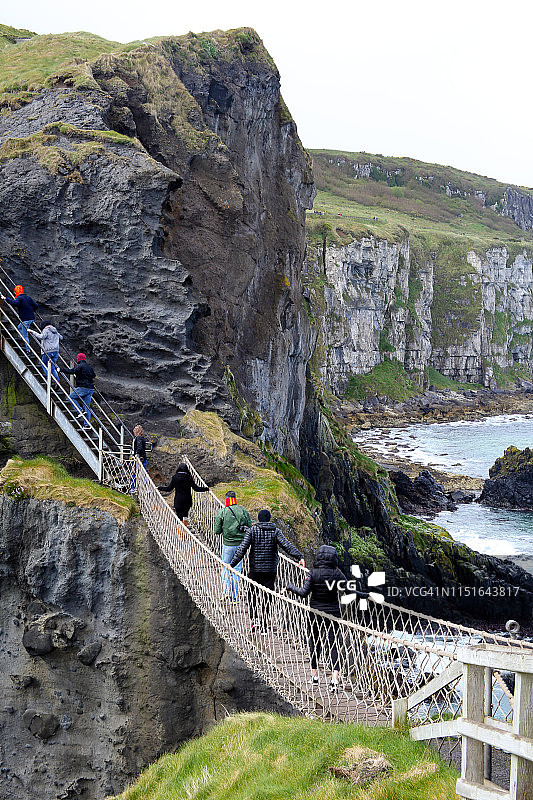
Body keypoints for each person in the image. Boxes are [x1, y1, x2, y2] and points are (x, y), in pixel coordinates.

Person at [282, 544, 349, 692]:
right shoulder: (337, 573)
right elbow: (347, 590)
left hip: (315, 613)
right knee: (333, 645)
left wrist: (289, 587)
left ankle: (315, 677)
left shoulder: (313, 573)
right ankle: (334, 680)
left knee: (315, 643)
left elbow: (303, 593)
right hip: (333, 613)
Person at [230, 509, 304, 633]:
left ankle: (254, 621)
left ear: (259, 519)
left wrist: (231, 564)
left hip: (255, 570)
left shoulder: (253, 531)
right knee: (267, 597)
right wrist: (299, 556)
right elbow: (286, 546)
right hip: (270, 571)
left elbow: (242, 549)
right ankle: (264, 625)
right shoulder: (275, 531)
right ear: (269, 519)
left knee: (252, 595)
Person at [214, 491, 252, 602]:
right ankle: (234, 597)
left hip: (227, 545)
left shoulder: (222, 512)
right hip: (241, 546)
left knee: (225, 567)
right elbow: (249, 527)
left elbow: (217, 531)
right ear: (235, 498)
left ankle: (226, 592)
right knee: (236, 570)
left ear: (226, 499)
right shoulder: (243, 510)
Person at [59, 353, 96, 428]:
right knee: (87, 406)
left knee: (70, 398)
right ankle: (87, 425)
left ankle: (79, 410)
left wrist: (61, 370)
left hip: (83, 387)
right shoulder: (89, 367)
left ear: (78, 359)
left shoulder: (80, 366)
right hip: (90, 388)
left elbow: (72, 371)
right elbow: (93, 375)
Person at [1, 285, 38, 353]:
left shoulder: (19, 298)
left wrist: (5, 298)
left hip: (25, 319)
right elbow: (36, 306)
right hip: (31, 318)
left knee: (25, 335)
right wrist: (31, 310)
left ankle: (28, 350)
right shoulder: (28, 297)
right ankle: (21, 339)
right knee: (19, 327)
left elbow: (15, 303)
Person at [130, 424, 148, 491]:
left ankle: (134, 487)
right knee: (144, 474)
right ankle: (146, 488)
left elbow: (139, 447)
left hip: (138, 459)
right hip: (143, 458)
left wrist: (136, 454)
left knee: (134, 473)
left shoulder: (138, 438)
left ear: (137, 431)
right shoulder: (142, 438)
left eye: (135, 430)